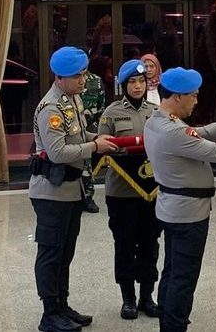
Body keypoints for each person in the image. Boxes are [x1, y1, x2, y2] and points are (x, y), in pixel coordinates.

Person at [143, 67, 216, 332]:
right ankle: (175, 325)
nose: (196, 101)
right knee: (183, 277)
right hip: (187, 214)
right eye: (193, 96)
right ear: (177, 97)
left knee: (172, 271)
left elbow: (195, 134)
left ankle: (168, 321)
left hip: (174, 209)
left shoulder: (159, 120)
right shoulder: (172, 131)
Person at [29, 46, 120, 332]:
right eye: (78, 76)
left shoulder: (71, 100)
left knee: (65, 253)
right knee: (51, 252)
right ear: (60, 77)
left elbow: (77, 133)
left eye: (83, 74)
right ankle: (49, 313)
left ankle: (62, 304)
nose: (84, 80)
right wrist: (95, 147)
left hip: (70, 189)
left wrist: (96, 136)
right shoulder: (51, 108)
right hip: (51, 192)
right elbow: (57, 152)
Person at [98, 60, 161, 320]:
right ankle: (128, 298)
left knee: (150, 243)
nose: (137, 86)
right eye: (132, 83)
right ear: (123, 86)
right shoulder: (110, 114)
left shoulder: (157, 112)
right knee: (124, 244)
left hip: (151, 192)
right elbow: (103, 150)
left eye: (141, 81)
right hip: (121, 192)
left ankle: (147, 296)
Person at [81, 70, 106, 213]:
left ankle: (88, 197)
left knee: (87, 165)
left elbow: (101, 107)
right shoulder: (67, 77)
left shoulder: (96, 80)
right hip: (72, 127)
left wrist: (98, 130)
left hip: (89, 127)